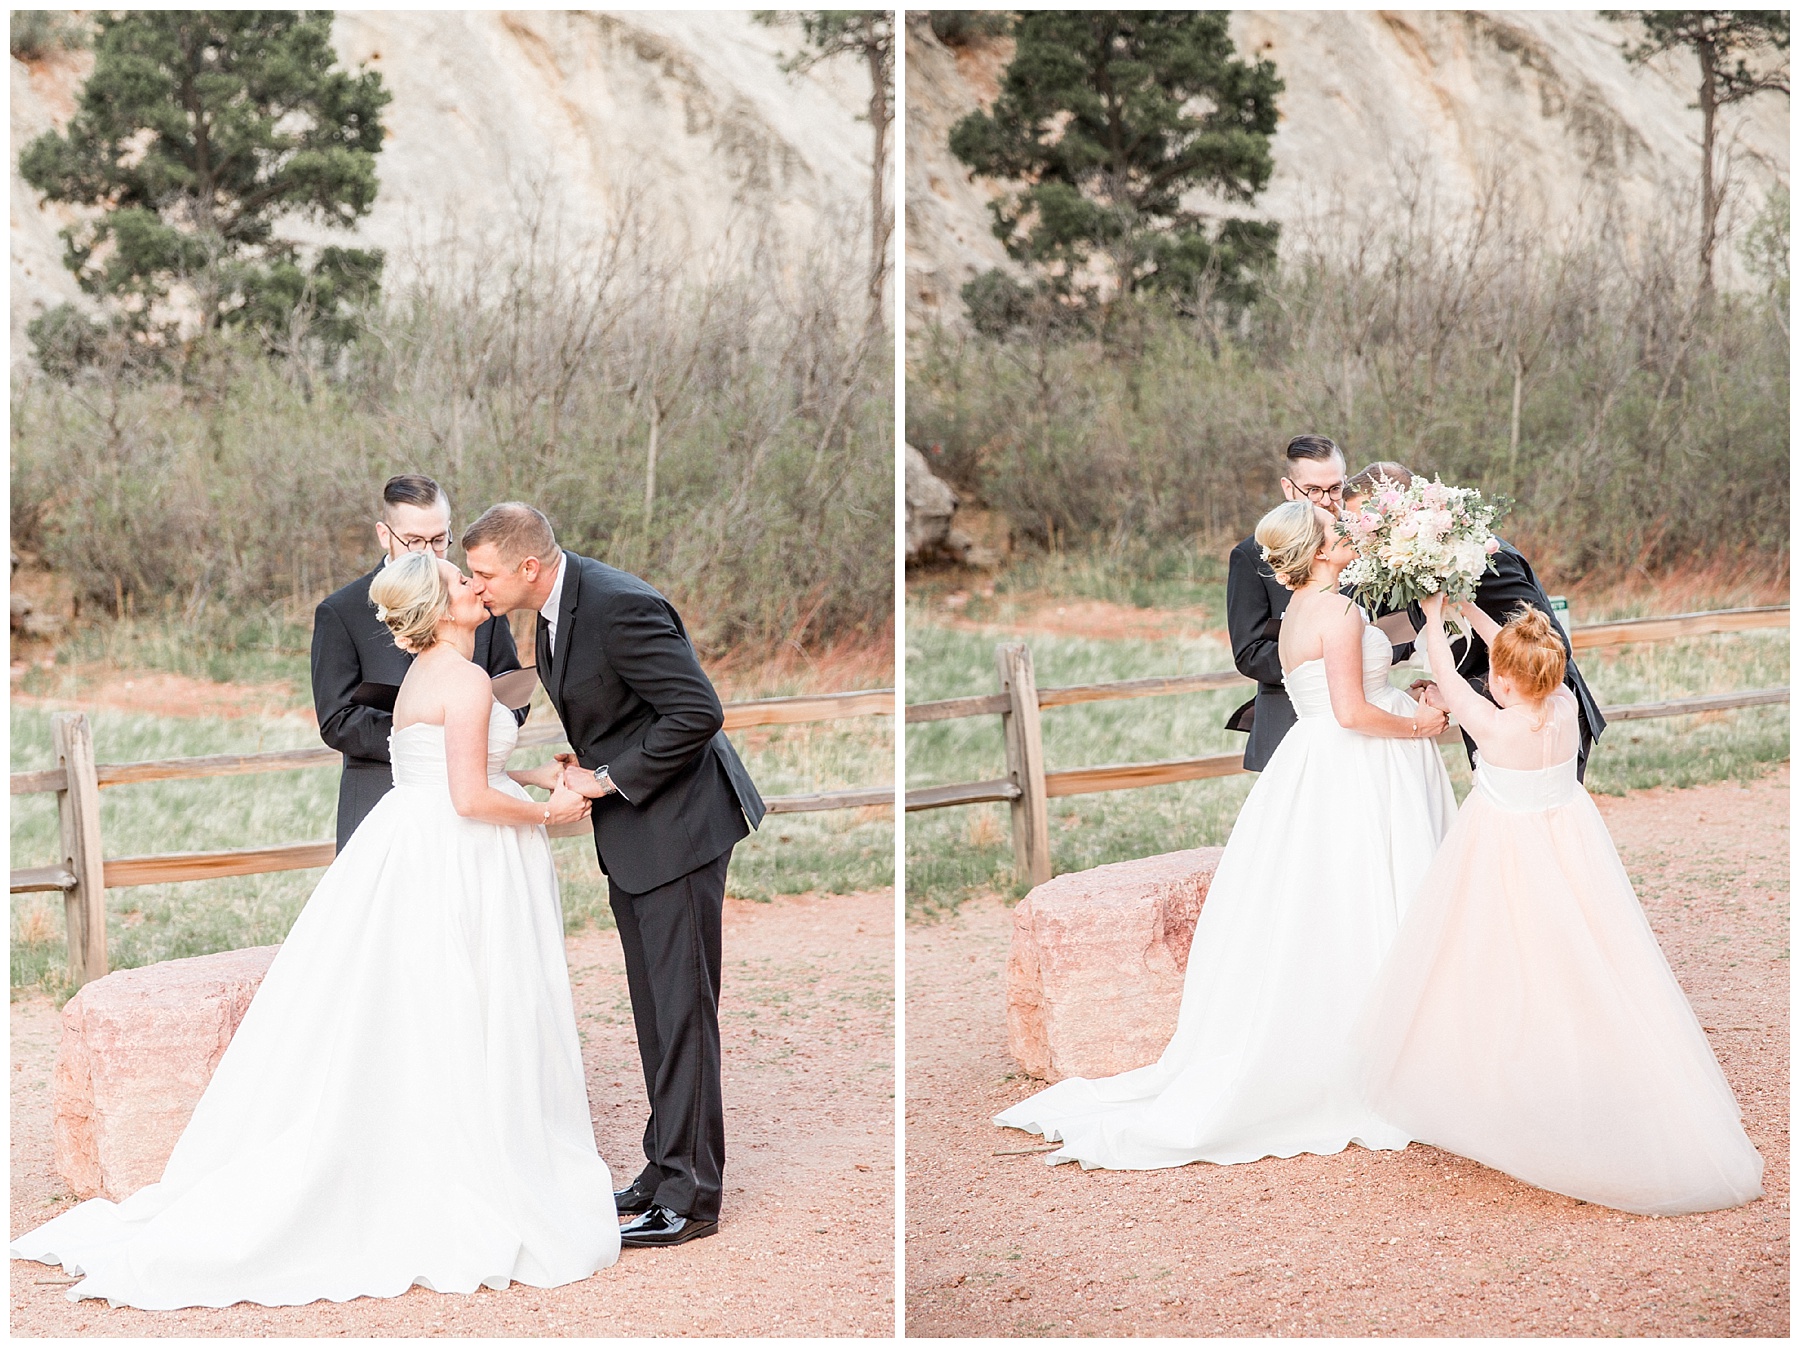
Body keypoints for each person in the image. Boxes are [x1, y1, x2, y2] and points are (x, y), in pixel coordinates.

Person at [11, 551, 615, 1308]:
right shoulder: (460, 680)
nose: (474, 584)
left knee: (430, 1003)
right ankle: (473, 1160)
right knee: (465, 1000)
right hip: (459, 854)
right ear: (440, 605)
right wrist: (548, 813)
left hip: (417, 842)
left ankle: (438, 1145)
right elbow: (465, 797)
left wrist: (527, 777)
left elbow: (445, 771)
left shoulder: (427, 675)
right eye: (463, 580)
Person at [995, 501, 1454, 1170]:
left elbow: (1335, 699)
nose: (1347, 533)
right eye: (1335, 531)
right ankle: (1395, 1057)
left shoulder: (1299, 610)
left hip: (1316, 765)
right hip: (1362, 767)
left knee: (1332, 905)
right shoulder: (1341, 611)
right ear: (1321, 552)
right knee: (1375, 895)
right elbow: (1353, 712)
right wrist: (1424, 723)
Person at [1358, 596, 1764, 1215]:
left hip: (1507, 853)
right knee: (1586, 955)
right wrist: (1471, 605)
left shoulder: (1492, 723)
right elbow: (1522, 658)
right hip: (1570, 841)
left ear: (1500, 681)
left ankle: (1509, 1083)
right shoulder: (1564, 704)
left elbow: (1443, 671)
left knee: (1504, 962)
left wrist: (1437, 614)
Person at [463, 504, 765, 1248]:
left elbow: (698, 711)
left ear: (528, 567)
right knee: (657, 1009)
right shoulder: (553, 608)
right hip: (637, 831)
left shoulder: (618, 604)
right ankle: (664, 1171)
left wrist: (605, 781)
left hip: (681, 829)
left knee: (683, 1010)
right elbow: (629, 712)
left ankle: (692, 1199)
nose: (479, 587)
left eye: (484, 573)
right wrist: (585, 765)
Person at [310, 474, 525, 848]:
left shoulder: (475, 601)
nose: (428, 553)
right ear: (384, 534)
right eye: (413, 541)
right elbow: (336, 719)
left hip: (474, 813)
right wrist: (426, 737)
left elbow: (512, 695)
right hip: (379, 796)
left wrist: (475, 732)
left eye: (439, 540)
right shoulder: (341, 611)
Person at [1223, 435, 1348, 771]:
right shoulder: (1251, 556)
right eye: (1313, 490)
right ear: (1288, 488)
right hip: (1289, 721)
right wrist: (1327, 666)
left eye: (1335, 489)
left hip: (1360, 728)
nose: (1326, 501)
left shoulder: (1354, 545)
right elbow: (1248, 653)